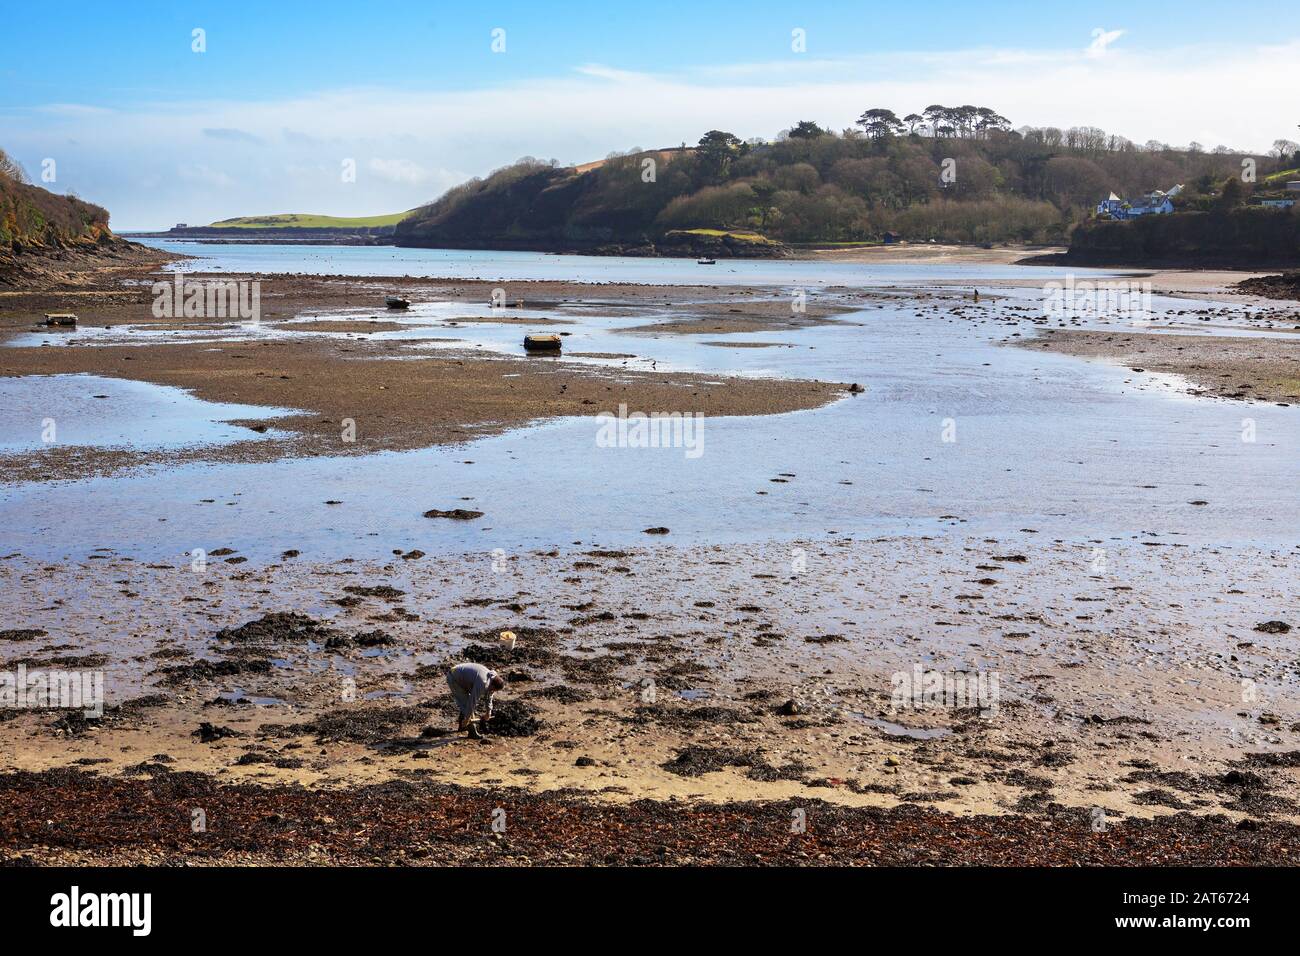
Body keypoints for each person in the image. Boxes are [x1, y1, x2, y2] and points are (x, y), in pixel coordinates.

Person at [447, 662, 505, 738]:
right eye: (494, 689)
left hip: (464, 679)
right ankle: (472, 732)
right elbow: (472, 702)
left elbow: (489, 696)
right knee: (466, 703)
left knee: (466, 703)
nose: (493, 691)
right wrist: (467, 719)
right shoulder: (483, 682)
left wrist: (488, 712)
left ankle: (462, 726)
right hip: (454, 677)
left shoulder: (492, 678)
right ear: (492, 685)